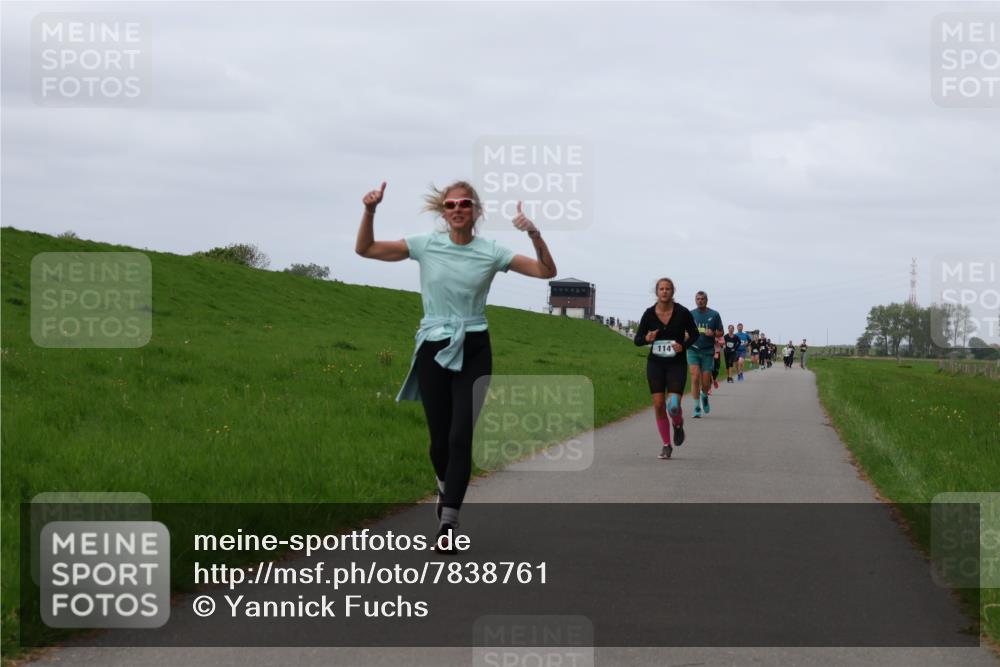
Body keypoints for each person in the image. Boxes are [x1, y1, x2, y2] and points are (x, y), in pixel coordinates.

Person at [355, 180, 557, 553]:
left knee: (461, 435)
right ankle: (445, 485)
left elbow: (547, 272)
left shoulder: (491, 251)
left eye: (465, 203)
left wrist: (534, 234)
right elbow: (365, 248)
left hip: (475, 346)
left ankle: (448, 523)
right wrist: (370, 211)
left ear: (476, 211)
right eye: (450, 205)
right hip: (433, 346)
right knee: (440, 441)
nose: (458, 209)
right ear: (443, 212)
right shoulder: (424, 245)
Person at [634, 278, 700, 459]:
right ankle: (666, 445)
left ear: (673, 291)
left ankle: (677, 424)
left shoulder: (683, 312)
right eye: (661, 289)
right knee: (658, 404)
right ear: (656, 292)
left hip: (676, 364)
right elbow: (637, 340)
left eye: (668, 289)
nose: (664, 291)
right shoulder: (648, 314)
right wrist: (647, 338)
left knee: (673, 406)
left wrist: (683, 346)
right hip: (655, 364)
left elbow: (694, 334)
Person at [687, 291, 724, 418]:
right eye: (697, 299)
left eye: (702, 299)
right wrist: (686, 335)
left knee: (706, 381)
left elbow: (721, 332)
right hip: (692, 349)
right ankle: (697, 407)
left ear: (707, 300)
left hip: (708, 351)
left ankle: (704, 396)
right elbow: (684, 331)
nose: (700, 301)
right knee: (695, 377)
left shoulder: (714, 314)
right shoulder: (690, 314)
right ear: (695, 300)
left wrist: (713, 333)